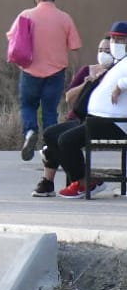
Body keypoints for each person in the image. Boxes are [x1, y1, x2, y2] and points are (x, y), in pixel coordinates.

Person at [32, 34, 117, 196]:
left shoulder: (116, 72)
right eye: (100, 50)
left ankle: (80, 182)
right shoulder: (88, 70)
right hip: (78, 117)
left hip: (99, 119)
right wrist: (87, 82)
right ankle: (79, 180)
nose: (104, 53)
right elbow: (69, 97)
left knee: (62, 142)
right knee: (51, 134)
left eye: (107, 50)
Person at [8, 0, 82, 161]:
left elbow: (12, 37)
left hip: (30, 70)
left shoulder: (26, 15)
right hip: (56, 72)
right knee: (50, 110)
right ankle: (50, 146)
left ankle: (30, 132)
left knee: (27, 105)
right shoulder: (65, 18)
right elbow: (75, 46)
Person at [53, 21, 127, 198]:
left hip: (112, 123)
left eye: (121, 40)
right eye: (113, 40)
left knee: (66, 141)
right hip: (95, 119)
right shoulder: (119, 63)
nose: (115, 44)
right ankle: (80, 179)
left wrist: (121, 85)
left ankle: (86, 183)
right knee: (52, 135)